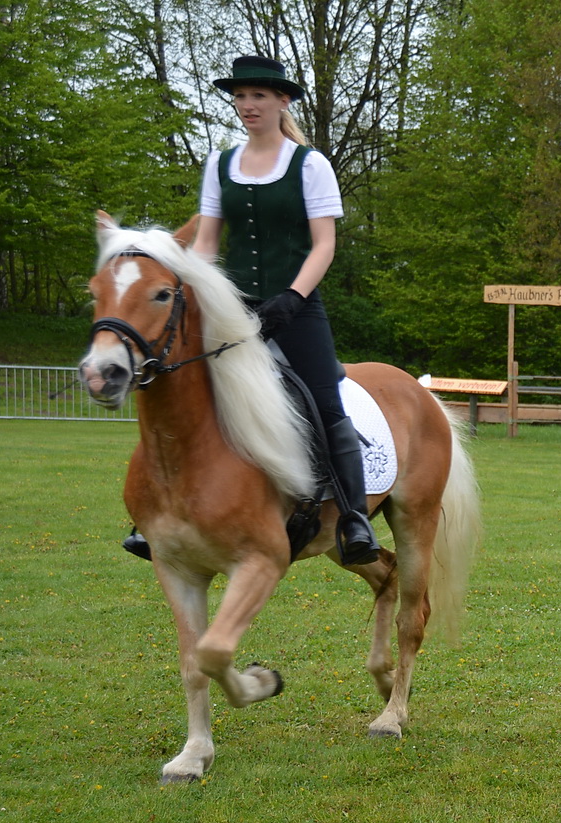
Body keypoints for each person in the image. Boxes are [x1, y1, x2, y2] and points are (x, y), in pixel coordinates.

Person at [127, 55, 377, 565]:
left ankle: (353, 519)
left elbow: (324, 244)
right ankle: (154, 513)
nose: (247, 106)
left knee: (325, 404)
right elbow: (208, 245)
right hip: (232, 309)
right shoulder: (220, 165)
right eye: (240, 97)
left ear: (282, 100)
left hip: (297, 307)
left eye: (257, 96)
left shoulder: (311, 164)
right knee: (187, 392)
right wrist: (193, 297)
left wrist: (293, 297)